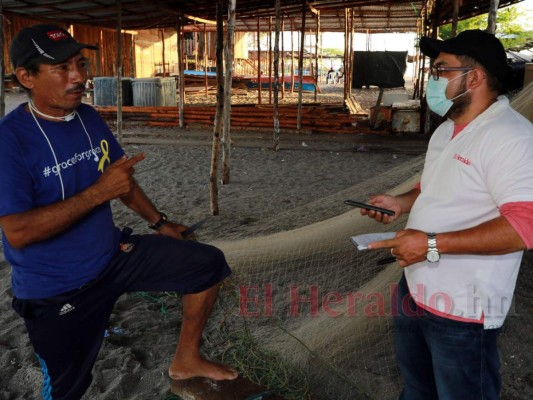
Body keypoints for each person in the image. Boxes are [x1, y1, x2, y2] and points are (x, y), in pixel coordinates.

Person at [0, 24, 238, 400]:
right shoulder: (9, 141)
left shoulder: (88, 117)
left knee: (206, 264)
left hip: (113, 257)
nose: (78, 76)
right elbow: (18, 232)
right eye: (61, 69)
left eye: (80, 64)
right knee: (67, 388)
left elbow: (120, 180)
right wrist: (99, 193)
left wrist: (159, 223)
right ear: (26, 77)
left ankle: (187, 359)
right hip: (56, 288)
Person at [360, 30, 533, 399]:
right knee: (418, 388)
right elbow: (434, 186)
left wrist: (432, 244)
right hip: (415, 289)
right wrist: (401, 203)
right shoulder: (448, 130)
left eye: (440, 70)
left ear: (474, 77)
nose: (431, 79)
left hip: (464, 308)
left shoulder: (512, 137)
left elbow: (524, 228)